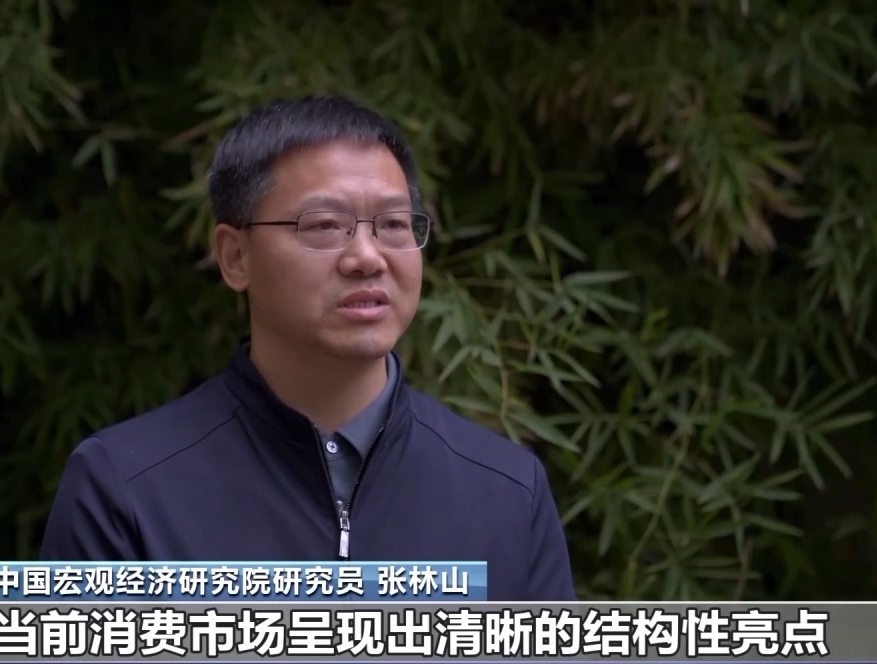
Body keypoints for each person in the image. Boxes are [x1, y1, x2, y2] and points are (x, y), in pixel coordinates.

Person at [39, 94, 576, 600]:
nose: (367, 257)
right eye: (324, 225)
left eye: (393, 224)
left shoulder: (507, 490)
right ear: (235, 257)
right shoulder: (125, 487)